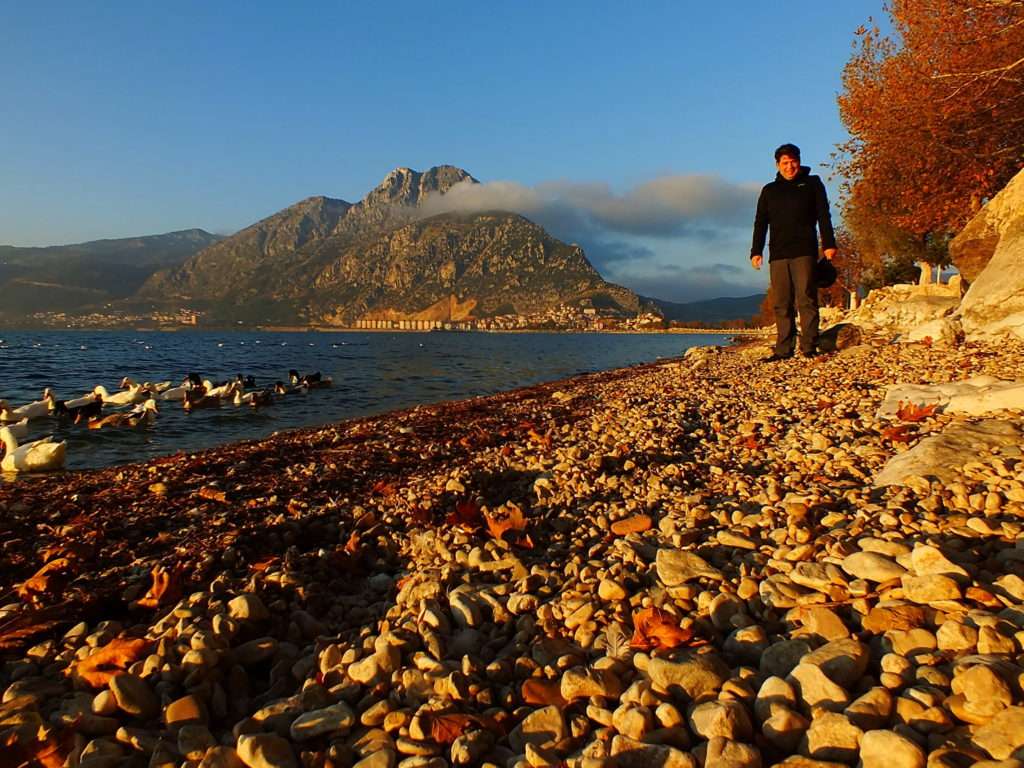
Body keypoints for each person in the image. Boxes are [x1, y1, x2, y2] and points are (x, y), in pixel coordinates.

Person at [750, 143, 837, 360]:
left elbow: (823, 215)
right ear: (777, 164)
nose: (790, 167)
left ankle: (809, 346)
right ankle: (783, 349)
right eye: (785, 163)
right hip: (778, 253)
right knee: (781, 302)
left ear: (799, 160)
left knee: (806, 299)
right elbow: (760, 222)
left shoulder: (812, 184)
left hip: (804, 251)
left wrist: (829, 244)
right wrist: (756, 250)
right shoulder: (769, 190)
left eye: (793, 162)